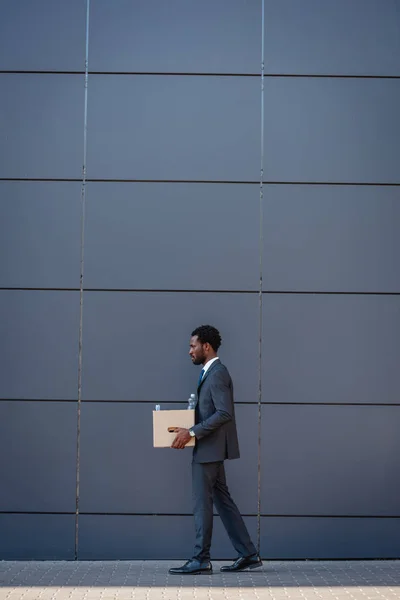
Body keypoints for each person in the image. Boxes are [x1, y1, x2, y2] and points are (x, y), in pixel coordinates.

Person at [169, 325, 262, 575]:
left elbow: (224, 413)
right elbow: (209, 413)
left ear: (206, 347)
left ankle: (201, 558)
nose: (189, 351)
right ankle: (248, 554)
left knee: (202, 505)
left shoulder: (217, 373)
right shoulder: (209, 372)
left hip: (208, 451)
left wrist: (191, 432)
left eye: (193, 346)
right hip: (211, 449)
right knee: (224, 502)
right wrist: (188, 427)